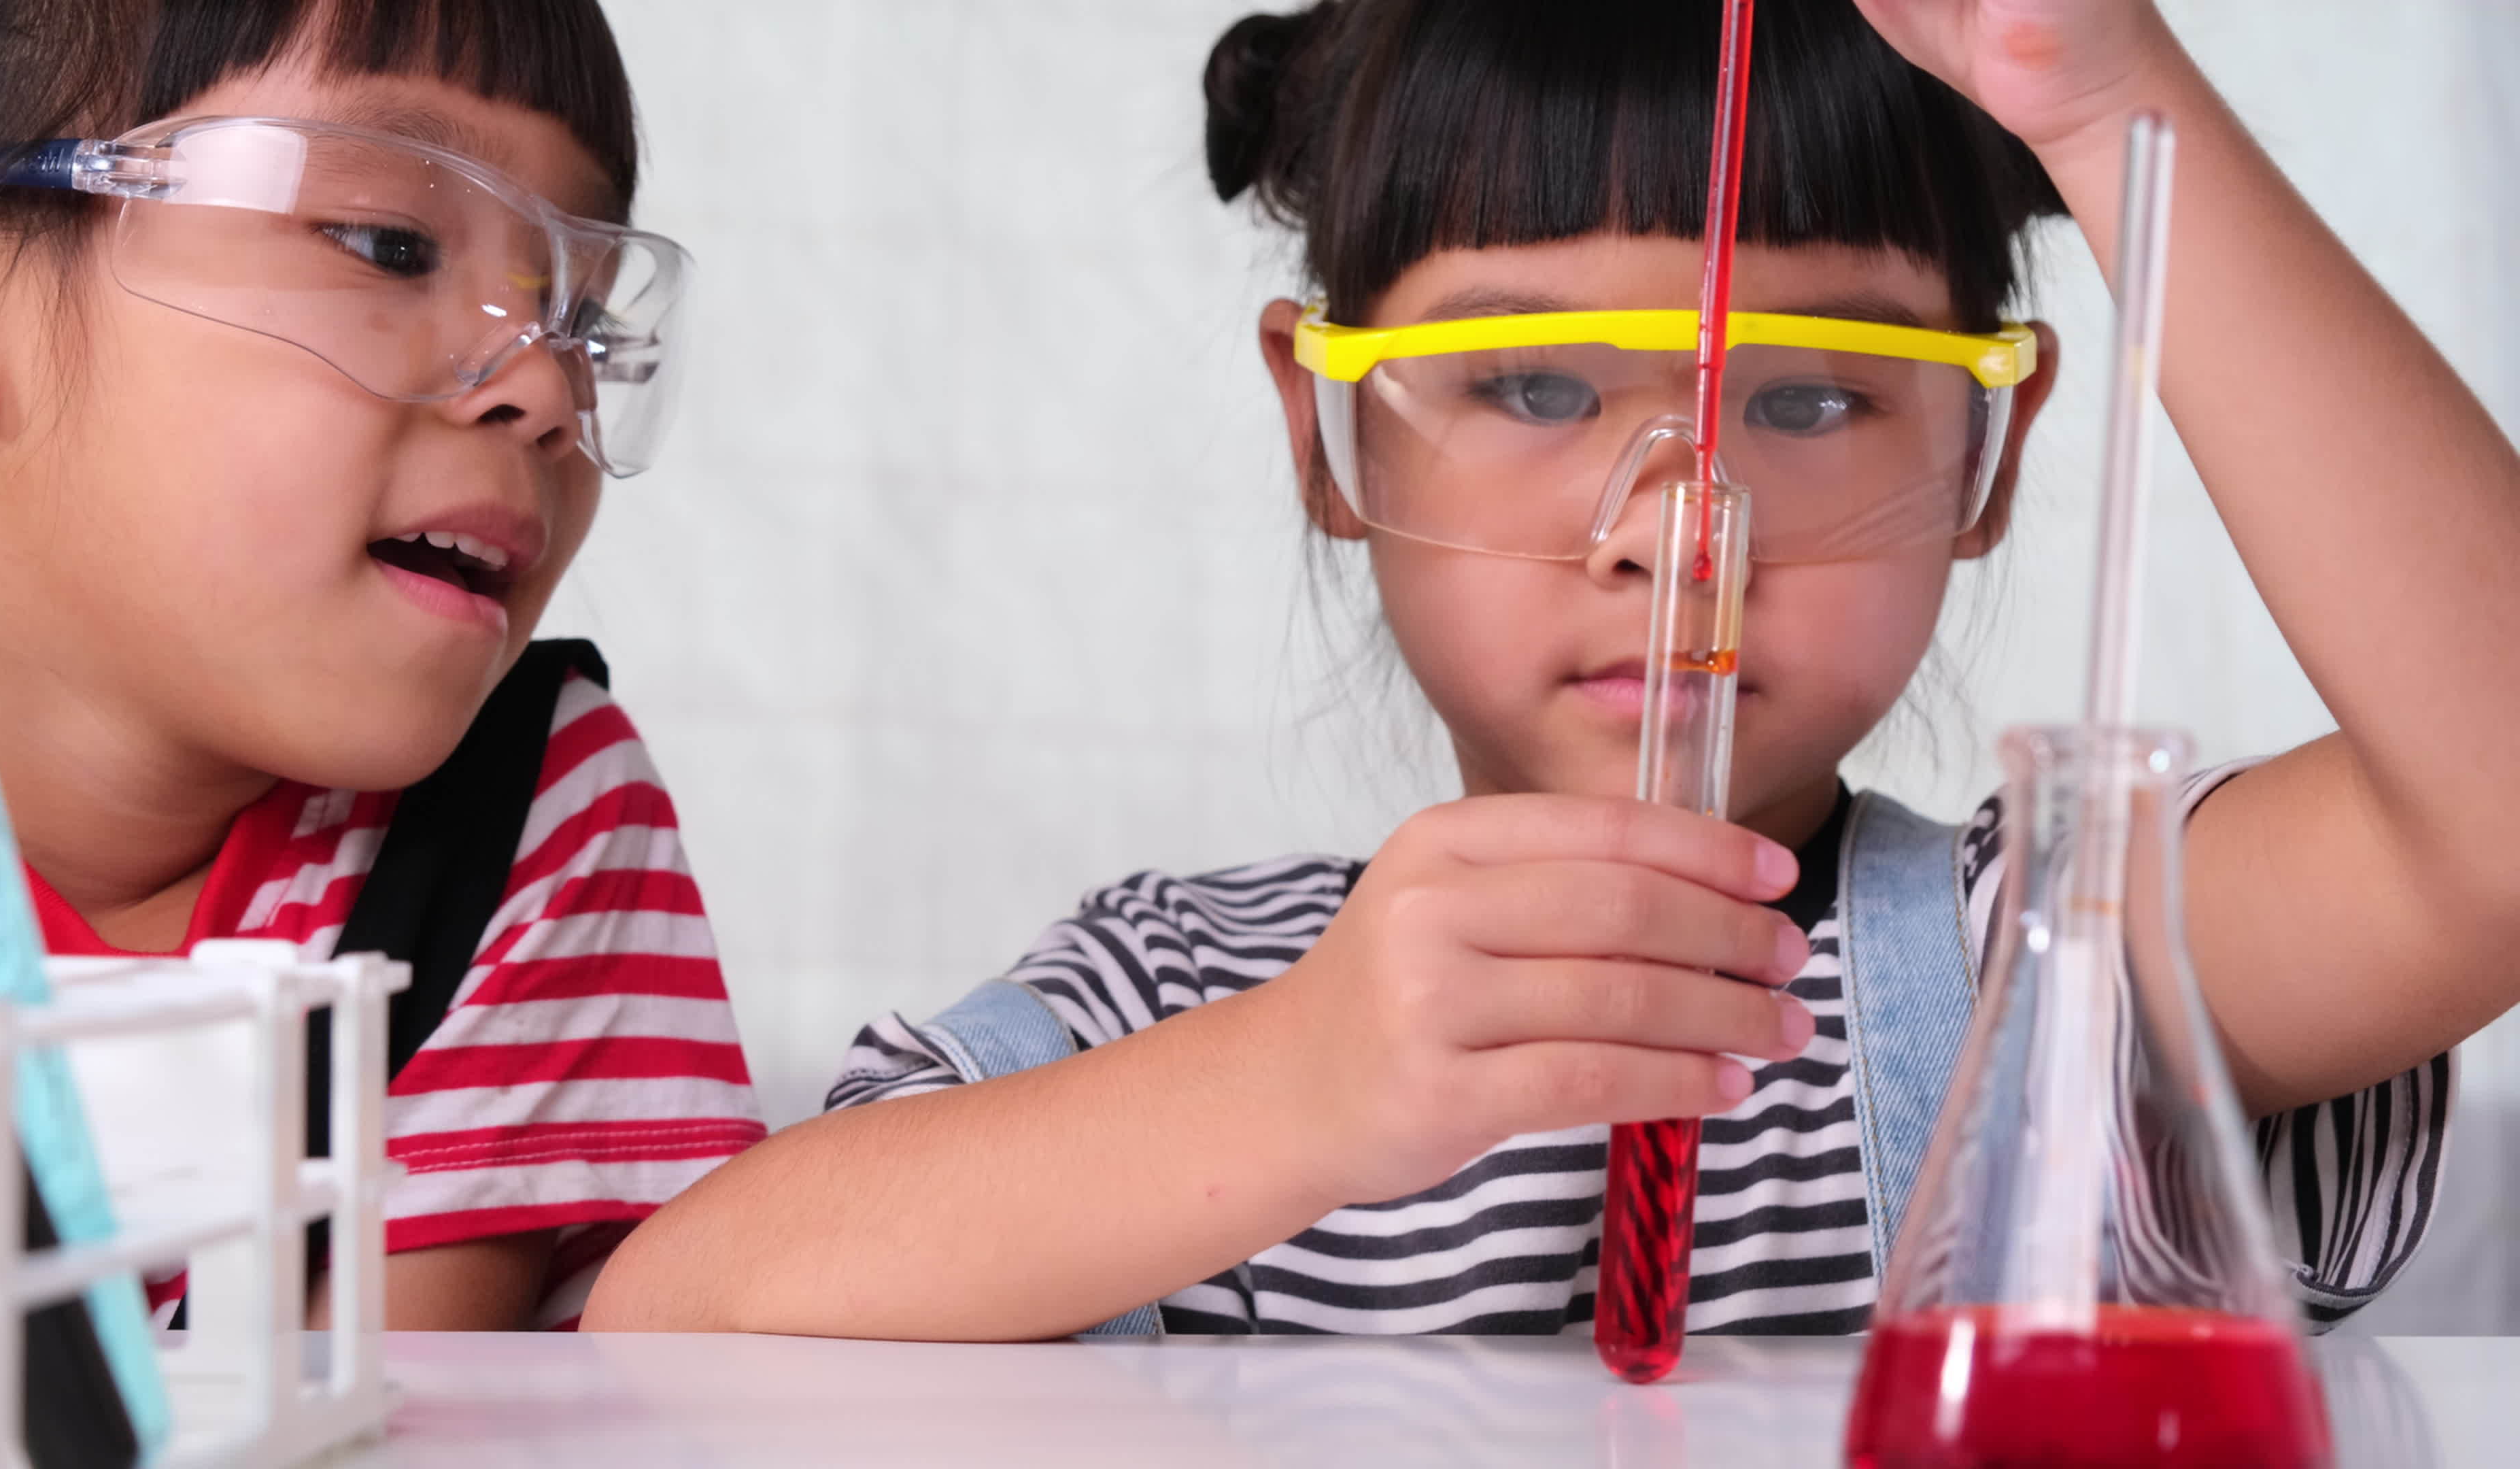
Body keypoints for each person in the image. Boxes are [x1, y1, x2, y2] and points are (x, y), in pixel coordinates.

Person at [586, 0, 2510, 1339]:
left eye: (1822, 399)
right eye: (1528, 387)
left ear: (1988, 460)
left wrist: (2108, 105)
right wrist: (1307, 1086)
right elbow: (676, 1307)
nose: (1681, 530)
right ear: (1320, 433)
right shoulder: (1178, 996)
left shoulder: (2055, 976)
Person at [0, 0, 762, 1330]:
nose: (545, 389)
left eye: (585, 322)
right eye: (389, 243)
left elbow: (368, 1417)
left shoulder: (523, 826)